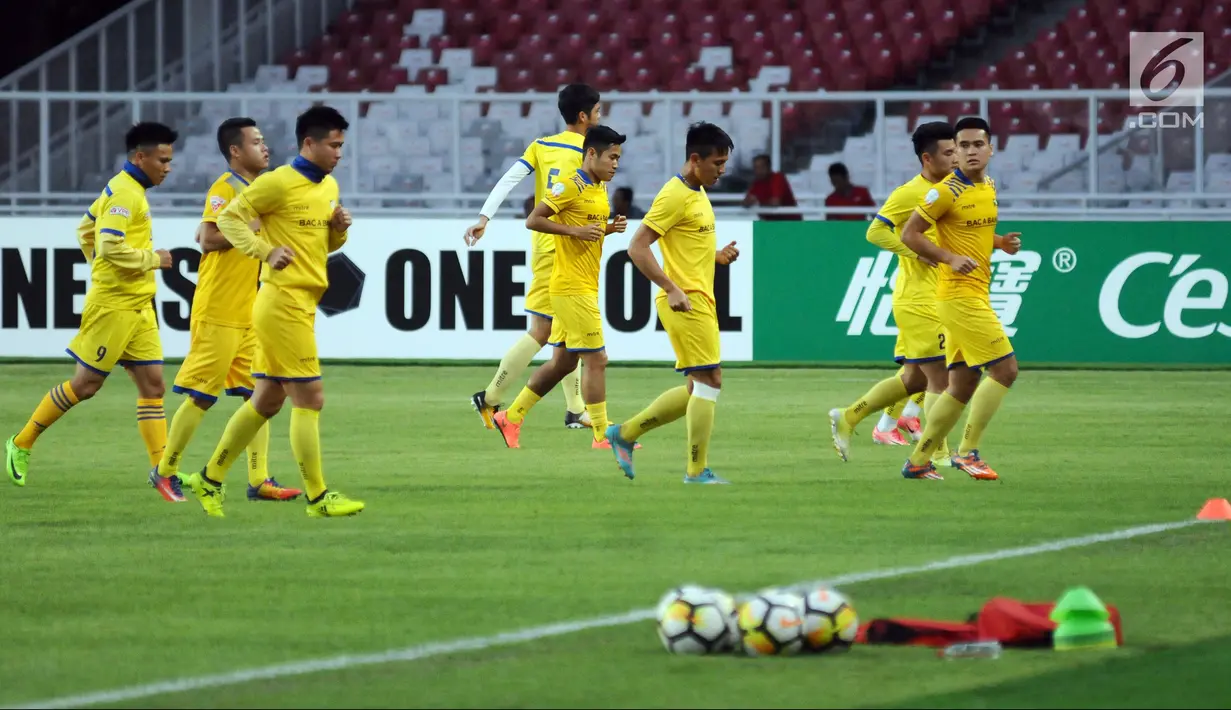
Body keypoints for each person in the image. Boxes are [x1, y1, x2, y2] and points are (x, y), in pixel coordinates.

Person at [183, 105, 364, 517]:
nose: (339, 154)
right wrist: (264, 250)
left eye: (341, 146)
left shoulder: (327, 188)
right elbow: (227, 220)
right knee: (311, 398)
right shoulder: (279, 182)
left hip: (300, 302)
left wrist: (338, 228)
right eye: (333, 145)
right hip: (282, 302)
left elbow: (324, 248)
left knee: (266, 400)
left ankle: (208, 479)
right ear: (309, 143)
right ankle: (318, 497)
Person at [5, 122, 176, 487]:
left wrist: (102, 265)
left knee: (154, 386)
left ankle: (163, 473)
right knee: (86, 386)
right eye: (162, 160)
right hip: (114, 306)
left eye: (170, 160)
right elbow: (110, 245)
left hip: (139, 304)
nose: (168, 167)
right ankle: (20, 442)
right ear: (140, 157)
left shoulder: (128, 188)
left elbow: (85, 228)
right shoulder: (125, 194)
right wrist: (150, 260)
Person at [149, 117, 302, 503]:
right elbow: (208, 238)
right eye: (256, 141)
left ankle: (258, 480)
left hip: (248, 311)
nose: (265, 147)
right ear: (236, 151)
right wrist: (252, 228)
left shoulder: (257, 191)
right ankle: (165, 470)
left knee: (261, 395)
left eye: (264, 140)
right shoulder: (226, 187)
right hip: (218, 308)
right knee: (202, 395)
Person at [605, 122, 741, 485]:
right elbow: (637, 246)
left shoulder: (696, 191)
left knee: (699, 386)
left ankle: (626, 434)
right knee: (710, 380)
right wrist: (671, 287)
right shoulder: (675, 195)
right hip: (685, 301)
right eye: (717, 163)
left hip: (699, 297)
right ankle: (696, 472)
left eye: (725, 162)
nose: (722, 170)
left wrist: (714, 256)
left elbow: (683, 243)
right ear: (695, 160)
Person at [464, 84, 602, 432]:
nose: (601, 118)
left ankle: (574, 410)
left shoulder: (542, 146)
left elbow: (509, 180)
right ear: (584, 116)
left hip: (549, 246)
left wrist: (485, 217)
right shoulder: (591, 152)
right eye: (598, 112)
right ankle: (490, 397)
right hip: (565, 248)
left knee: (564, 333)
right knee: (545, 331)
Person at [897, 116, 1022, 481]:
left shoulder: (988, 187)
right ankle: (967, 453)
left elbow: (971, 230)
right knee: (1005, 369)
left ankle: (919, 460)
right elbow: (909, 234)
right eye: (962, 146)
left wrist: (1001, 244)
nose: (969, 151)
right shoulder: (945, 191)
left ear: (990, 149)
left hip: (975, 292)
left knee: (963, 382)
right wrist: (949, 258)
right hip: (958, 296)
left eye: (976, 144)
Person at [493, 126, 629, 449]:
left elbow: (587, 231)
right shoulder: (570, 186)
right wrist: (575, 231)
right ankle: (601, 435)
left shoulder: (599, 188)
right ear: (591, 154)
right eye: (611, 157)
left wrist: (608, 230)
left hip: (583, 284)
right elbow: (534, 219)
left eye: (618, 159)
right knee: (597, 360)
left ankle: (510, 417)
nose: (615, 164)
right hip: (571, 288)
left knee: (564, 363)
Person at [829, 122, 959, 459]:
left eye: (957, 149)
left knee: (914, 380)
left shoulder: (951, 192)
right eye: (949, 152)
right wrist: (916, 252)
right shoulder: (910, 193)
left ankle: (849, 417)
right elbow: (875, 232)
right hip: (919, 300)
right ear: (927, 158)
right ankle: (939, 454)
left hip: (939, 296)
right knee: (941, 380)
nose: (957, 156)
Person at [742, 154, 800, 220]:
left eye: (761, 167)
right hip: (769, 224)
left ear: (769, 167)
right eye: (756, 168)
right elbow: (745, 202)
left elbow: (775, 203)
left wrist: (757, 201)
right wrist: (748, 202)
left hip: (790, 223)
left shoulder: (777, 178)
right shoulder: (756, 183)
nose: (758, 171)